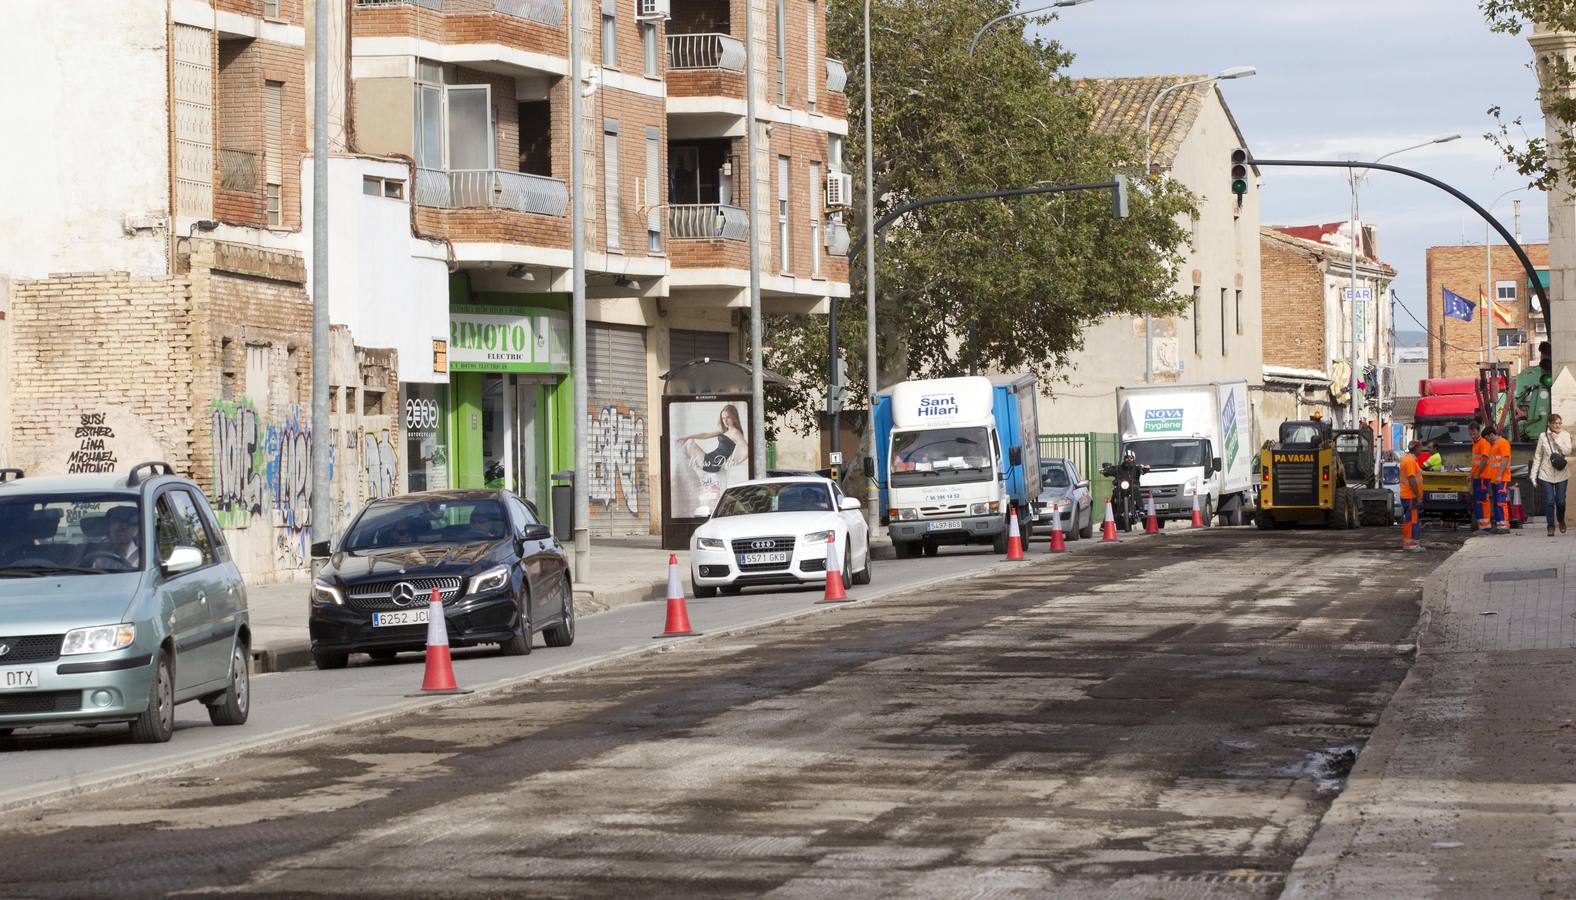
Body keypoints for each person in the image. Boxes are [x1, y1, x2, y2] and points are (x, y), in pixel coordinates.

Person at [1530, 414, 1570, 535]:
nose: (1557, 425)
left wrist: (1556, 439)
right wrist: (1533, 475)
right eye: (1555, 423)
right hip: (1545, 473)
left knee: (1560, 501)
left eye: (1559, 423)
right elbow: (1538, 456)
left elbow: (1567, 451)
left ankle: (1561, 519)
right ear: (1549, 424)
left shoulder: (1565, 435)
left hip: (1561, 473)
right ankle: (1550, 527)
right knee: (1549, 501)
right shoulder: (1543, 436)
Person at [1397, 440, 1424, 552]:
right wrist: (1418, 495)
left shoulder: (1408, 459)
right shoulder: (1410, 461)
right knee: (1412, 520)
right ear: (1416, 448)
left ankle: (1412, 543)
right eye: (1421, 447)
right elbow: (1412, 480)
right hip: (1410, 495)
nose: (1422, 450)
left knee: (1411, 519)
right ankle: (1411, 545)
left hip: (1408, 495)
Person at [1490, 425, 1514, 533]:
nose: (1486, 441)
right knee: (1496, 502)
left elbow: (1505, 459)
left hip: (1502, 478)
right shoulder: (1492, 445)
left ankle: (1504, 524)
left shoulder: (1503, 443)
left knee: (1501, 501)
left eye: (1487, 438)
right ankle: (1499, 524)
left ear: (1491, 435)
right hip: (1494, 479)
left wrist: (1499, 474)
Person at [1469, 422, 1491, 532]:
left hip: (1482, 477)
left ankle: (1485, 526)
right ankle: (1482, 526)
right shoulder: (1476, 443)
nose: (1472, 434)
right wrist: (1472, 475)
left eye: (1474, 432)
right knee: (1478, 501)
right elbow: (1476, 462)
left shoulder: (1483, 443)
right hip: (1478, 477)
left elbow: (1485, 459)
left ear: (1478, 431)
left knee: (1482, 501)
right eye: (1470, 433)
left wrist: (1477, 474)